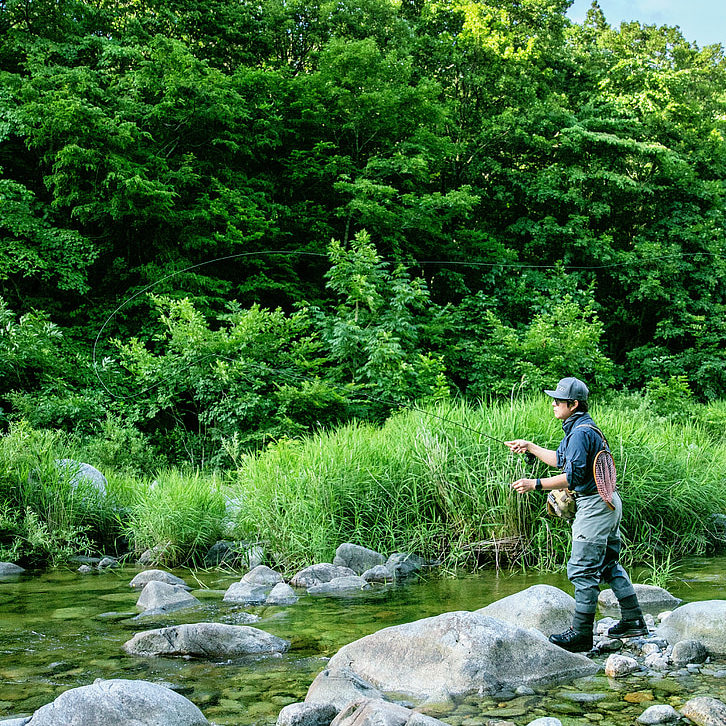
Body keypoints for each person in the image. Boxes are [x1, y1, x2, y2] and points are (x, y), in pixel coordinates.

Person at [505, 376, 647, 653]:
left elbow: (573, 475)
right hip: (608, 502)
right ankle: (634, 621)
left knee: (582, 570)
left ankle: (582, 635)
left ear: (574, 404)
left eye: (558, 401)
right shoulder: (581, 428)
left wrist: (534, 484)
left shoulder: (581, 432)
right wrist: (531, 447)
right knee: (608, 565)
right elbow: (561, 459)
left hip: (595, 506)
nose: (554, 405)